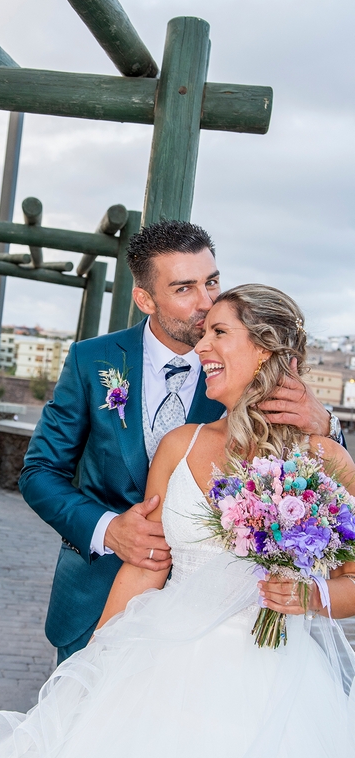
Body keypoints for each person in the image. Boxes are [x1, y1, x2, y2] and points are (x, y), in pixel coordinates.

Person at [0, 284, 355, 758]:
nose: (201, 346)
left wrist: (311, 595)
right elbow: (147, 563)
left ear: (264, 350)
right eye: (204, 333)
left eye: (219, 333)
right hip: (158, 665)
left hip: (272, 681)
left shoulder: (325, 461)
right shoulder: (179, 445)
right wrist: (91, 664)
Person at [19, 221, 344, 662]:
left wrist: (325, 426)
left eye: (211, 281)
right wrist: (109, 530)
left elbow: (314, 472)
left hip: (238, 628)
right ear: (145, 299)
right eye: (184, 288)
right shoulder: (90, 360)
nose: (206, 303)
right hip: (101, 594)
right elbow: (40, 472)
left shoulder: (239, 370)